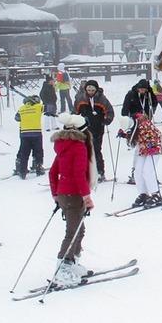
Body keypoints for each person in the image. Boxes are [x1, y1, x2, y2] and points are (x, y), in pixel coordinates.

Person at [48, 113, 96, 285]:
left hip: (65, 194)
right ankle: (63, 268)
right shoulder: (78, 147)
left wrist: (56, 194)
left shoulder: (63, 146)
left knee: (79, 231)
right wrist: (87, 197)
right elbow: (78, 174)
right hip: (73, 195)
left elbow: (52, 172)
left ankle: (72, 262)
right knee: (72, 232)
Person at [74, 79, 114, 182]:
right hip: (84, 128)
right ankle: (86, 172)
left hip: (98, 128)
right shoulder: (80, 98)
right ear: (85, 89)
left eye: (92, 90)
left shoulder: (102, 99)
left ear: (96, 89)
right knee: (84, 150)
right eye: (88, 90)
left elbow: (110, 111)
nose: (90, 92)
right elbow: (75, 112)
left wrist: (107, 120)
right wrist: (73, 121)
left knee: (96, 150)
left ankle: (100, 172)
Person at [127, 112, 162, 207]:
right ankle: (144, 193)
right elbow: (133, 141)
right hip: (143, 151)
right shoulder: (135, 127)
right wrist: (124, 135)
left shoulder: (146, 124)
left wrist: (153, 145)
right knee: (137, 172)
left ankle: (155, 194)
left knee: (147, 171)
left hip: (153, 150)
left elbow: (156, 134)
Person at [14, 94, 45, 178]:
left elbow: (17, 118)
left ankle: (22, 171)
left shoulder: (21, 108)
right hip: (36, 133)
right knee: (38, 151)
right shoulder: (39, 107)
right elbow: (47, 109)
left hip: (24, 134)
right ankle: (38, 167)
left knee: (24, 153)